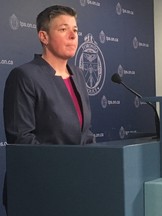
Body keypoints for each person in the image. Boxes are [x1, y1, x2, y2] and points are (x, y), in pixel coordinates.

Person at [3, 5, 96, 145]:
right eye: (63, 29)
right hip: (48, 166)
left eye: (75, 30)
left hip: (81, 165)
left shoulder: (78, 74)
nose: (73, 36)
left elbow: (85, 133)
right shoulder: (24, 76)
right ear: (44, 37)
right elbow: (22, 138)